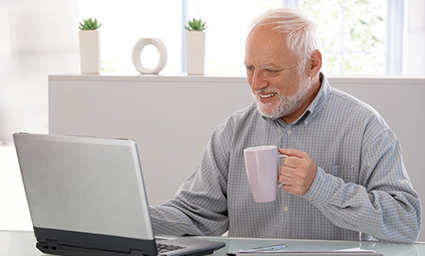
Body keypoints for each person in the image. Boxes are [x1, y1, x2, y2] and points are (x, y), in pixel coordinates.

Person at [150, 8, 421, 243]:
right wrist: (125, 215)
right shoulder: (233, 132)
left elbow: (406, 223)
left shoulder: (364, 127)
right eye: (250, 69)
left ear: (312, 64)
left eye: (271, 70)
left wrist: (319, 185)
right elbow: (194, 215)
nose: (256, 84)